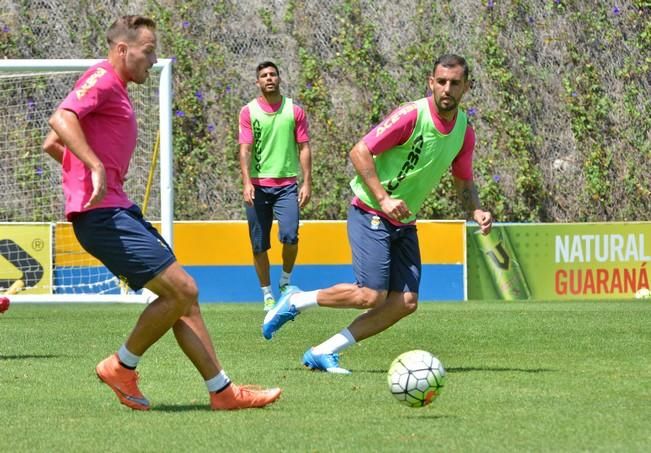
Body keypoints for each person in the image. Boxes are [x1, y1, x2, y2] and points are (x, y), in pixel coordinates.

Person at [42, 15, 281, 410]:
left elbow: (54, 143)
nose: (153, 61)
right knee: (183, 289)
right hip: (102, 216)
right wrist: (95, 168)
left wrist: (82, 170)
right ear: (123, 50)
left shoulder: (115, 88)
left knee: (184, 297)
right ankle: (121, 365)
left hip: (115, 209)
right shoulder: (102, 77)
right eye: (148, 51)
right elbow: (60, 120)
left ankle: (222, 392)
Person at [262, 54, 493, 374]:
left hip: (404, 221)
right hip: (370, 211)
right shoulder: (411, 116)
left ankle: (324, 351)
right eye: (441, 82)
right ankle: (296, 301)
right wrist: (383, 199)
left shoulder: (464, 131)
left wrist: (476, 209)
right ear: (431, 82)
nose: (447, 89)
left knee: (405, 302)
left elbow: (463, 178)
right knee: (370, 294)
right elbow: (359, 151)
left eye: (455, 83)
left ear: (467, 87)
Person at [238, 61, 312, 311]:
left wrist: (306, 182)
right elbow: (245, 149)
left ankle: (285, 281)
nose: (269, 78)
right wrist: (246, 182)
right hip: (258, 188)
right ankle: (267, 293)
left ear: (279, 79)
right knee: (259, 244)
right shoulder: (248, 112)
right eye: (263, 75)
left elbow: (304, 147)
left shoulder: (295, 111)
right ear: (257, 82)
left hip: (286, 187)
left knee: (290, 236)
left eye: (273, 74)